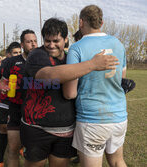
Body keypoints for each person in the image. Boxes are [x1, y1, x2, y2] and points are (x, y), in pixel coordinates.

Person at [20, 18, 119, 167]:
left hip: (66, 129)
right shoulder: (37, 55)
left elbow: (86, 83)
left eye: (56, 40)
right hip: (37, 128)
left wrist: (120, 84)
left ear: (66, 40)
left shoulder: (71, 58)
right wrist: (92, 64)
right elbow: (48, 75)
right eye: (47, 41)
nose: (51, 45)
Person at [64, 5, 128, 167]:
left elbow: (70, 93)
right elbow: (122, 80)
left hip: (92, 120)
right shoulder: (118, 44)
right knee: (117, 162)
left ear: (81, 22)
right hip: (119, 116)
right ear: (101, 22)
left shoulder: (76, 48)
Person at [0, 30, 37, 167]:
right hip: (15, 110)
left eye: (35, 41)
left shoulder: (42, 61)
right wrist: (2, 87)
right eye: (29, 41)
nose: (33, 44)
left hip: (35, 112)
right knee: (13, 149)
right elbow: (2, 81)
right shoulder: (12, 62)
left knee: (33, 153)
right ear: (22, 44)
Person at [0, 42, 22, 167]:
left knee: (21, 129)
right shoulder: (5, 63)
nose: (18, 55)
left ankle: (21, 147)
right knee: (3, 130)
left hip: (18, 103)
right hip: (5, 101)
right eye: (15, 53)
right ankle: (0, 160)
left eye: (19, 52)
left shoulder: (25, 63)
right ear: (9, 54)